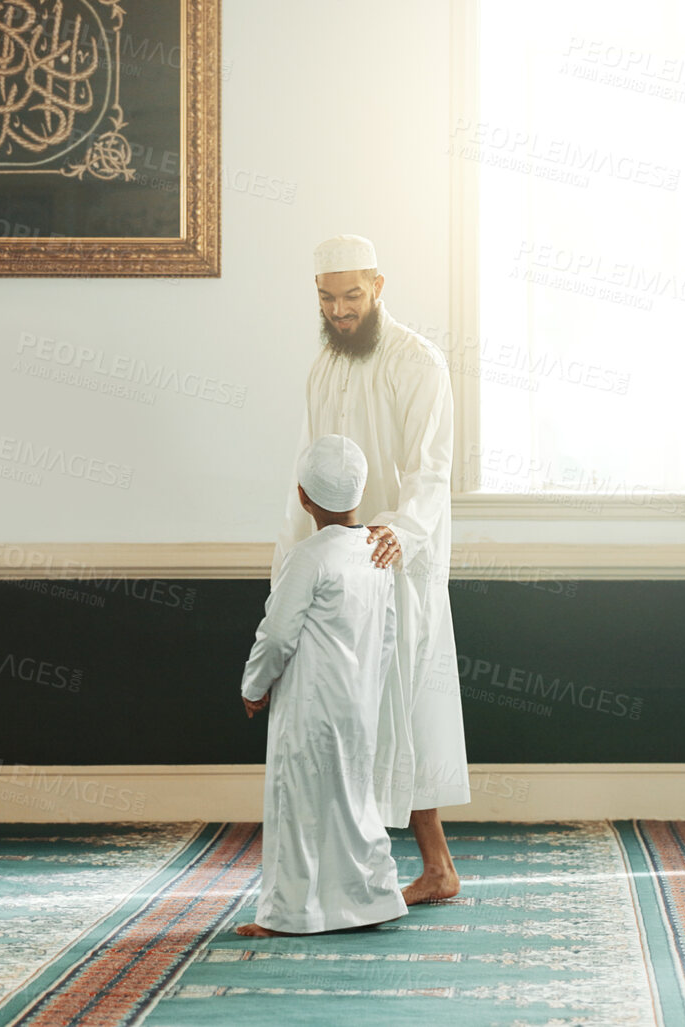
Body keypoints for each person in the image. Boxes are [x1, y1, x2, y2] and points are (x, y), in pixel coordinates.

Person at [274, 234, 468, 905]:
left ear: (378, 286)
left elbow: (432, 468)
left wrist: (399, 531)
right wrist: (295, 563)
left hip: (394, 562)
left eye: (351, 296)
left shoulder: (418, 362)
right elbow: (308, 467)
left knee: (400, 711)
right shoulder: (322, 367)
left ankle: (435, 866)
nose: (339, 312)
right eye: (327, 299)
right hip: (336, 565)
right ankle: (354, 870)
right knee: (343, 715)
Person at [236, 434, 407, 937]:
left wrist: (253, 685)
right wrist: (368, 691)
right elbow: (387, 635)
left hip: (311, 707)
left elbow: (278, 634)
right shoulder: (377, 556)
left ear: (304, 496)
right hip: (358, 703)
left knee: (299, 806)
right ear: (360, 491)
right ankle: (372, 900)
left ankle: (287, 916)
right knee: (353, 801)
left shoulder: (308, 556)